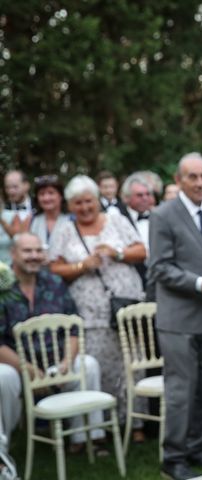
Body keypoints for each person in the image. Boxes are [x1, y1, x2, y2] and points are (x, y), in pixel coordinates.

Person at [148, 153, 202, 480]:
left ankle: (198, 448)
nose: (200, 183)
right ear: (178, 179)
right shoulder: (162, 215)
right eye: (193, 177)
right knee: (181, 391)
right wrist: (199, 282)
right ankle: (173, 458)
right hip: (178, 320)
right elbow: (159, 267)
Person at [48, 175, 147, 440]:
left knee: (131, 363)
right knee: (98, 366)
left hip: (124, 307)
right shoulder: (64, 229)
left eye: (89, 201)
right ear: (70, 205)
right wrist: (82, 266)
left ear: (97, 200)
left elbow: (141, 250)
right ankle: (100, 426)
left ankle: (134, 423)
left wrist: (117, 254)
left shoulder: (115, 219)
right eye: (78, 203)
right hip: (89, 314)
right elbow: (54, 267)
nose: (85, 207)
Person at [0, 233, 107, 455]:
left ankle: (86, 438)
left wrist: (67, 360)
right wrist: (26, 369)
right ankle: (4, 449)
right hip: (16, 365)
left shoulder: (55, 283)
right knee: (3, 378)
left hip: (55, 362)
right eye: (27, 251)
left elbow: (73, 326)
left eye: (39, 251)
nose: (34, 256)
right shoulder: (3, 287)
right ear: (13, 254)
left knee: (87, 364)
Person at [118, 173, 154, 288]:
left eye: (147, 194)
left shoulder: (159, 216)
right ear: (126, 198)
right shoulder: (118, 219)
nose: (145, 198)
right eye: (139, 195)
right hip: (131, 280)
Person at [29, 174, 70, 252]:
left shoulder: (72, 220)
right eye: (42, 194)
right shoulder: (31, 220)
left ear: (61, 196)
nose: (46, 198)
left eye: (51, 193)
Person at [1, 171, 33, 263]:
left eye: (15, 187)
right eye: (7, 187)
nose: (11, 191)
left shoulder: (38, 206)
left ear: (26, 185)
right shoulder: (3, 209)